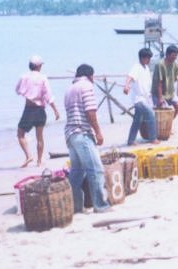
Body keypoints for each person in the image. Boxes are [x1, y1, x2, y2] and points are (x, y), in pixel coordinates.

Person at [64, 64, 110, 213]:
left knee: (76, 173)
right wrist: (98, 132)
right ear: (91, 76)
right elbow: (90, 112)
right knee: (96, 170)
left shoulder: (69, 89)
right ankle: (101, 205)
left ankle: (75, 207)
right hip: (82, 133)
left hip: (70, 135)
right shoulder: (87, 86)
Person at [15, 55, 60, 167]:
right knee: (39, 136)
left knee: (20, 134)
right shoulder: (43, 78)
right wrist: (55, 110)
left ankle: (29, 156)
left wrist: (27, 92)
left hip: (29, 109)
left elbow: (17, 90)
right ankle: (39, 161)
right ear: (39, 66)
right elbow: (48, 95)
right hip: (40, 110)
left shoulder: (24, 77)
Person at [123, 48, 159, 146]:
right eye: (148, 58)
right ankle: (152, 138)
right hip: (138, 99)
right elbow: (129, 77)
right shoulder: (136, 67)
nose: (149, 60)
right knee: (151, 115)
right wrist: (126, 86)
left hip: (145, 98)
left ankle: (131, 140)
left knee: (137, 120)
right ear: (143, 58)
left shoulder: (146, 68)